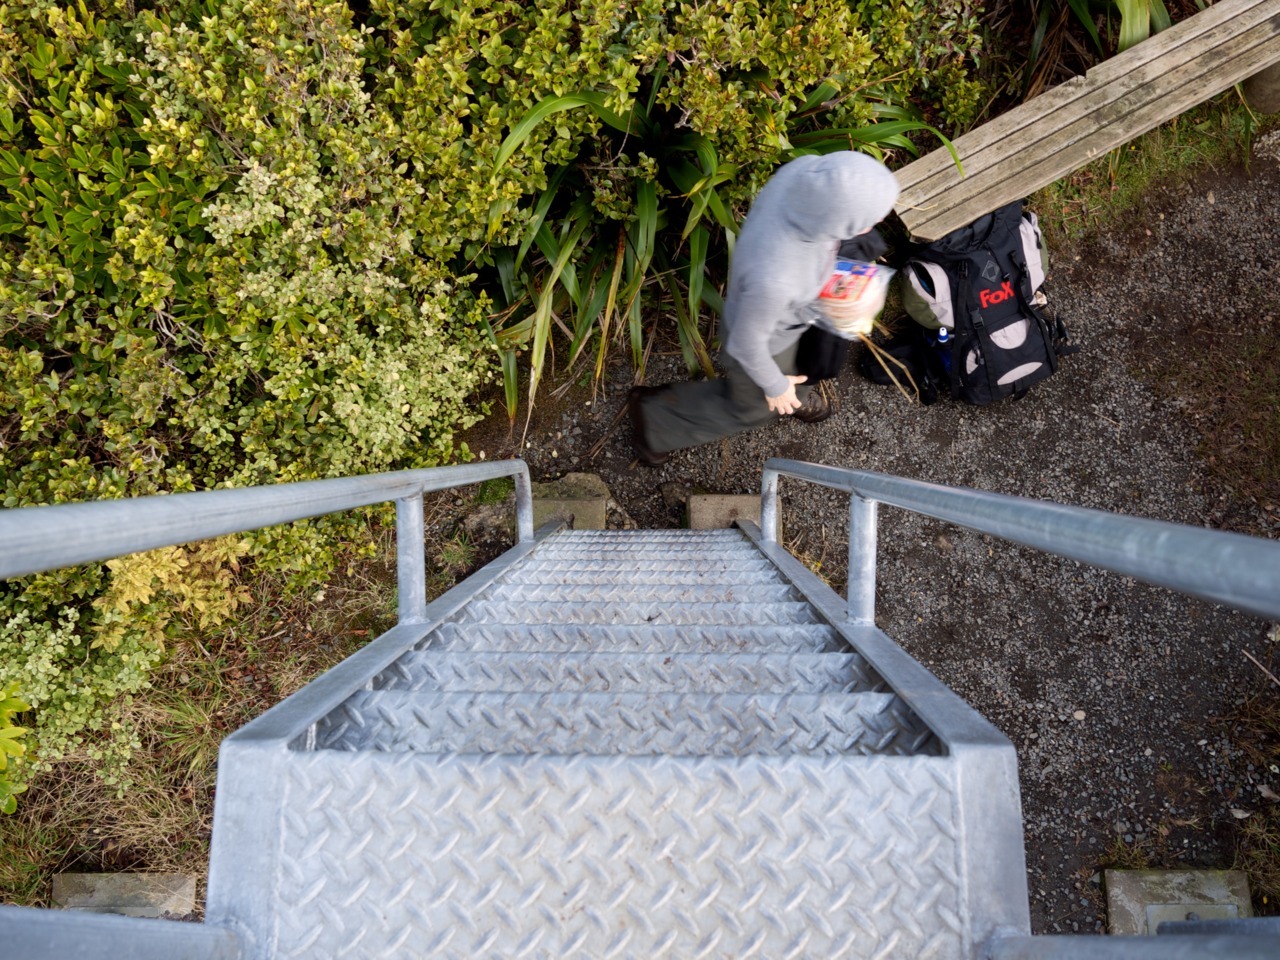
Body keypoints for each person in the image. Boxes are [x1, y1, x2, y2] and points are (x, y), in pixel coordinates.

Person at [629, 151, 900, 467]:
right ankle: (656, 420)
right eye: (871, 219)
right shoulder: (777, 277)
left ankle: (797, 393)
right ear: (838, 219)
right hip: (767, 338)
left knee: (806, 364)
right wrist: (776, 387)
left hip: (786, 313)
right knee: (755, 407)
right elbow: (746, 344)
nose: (880, 221)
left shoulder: (801, 174)